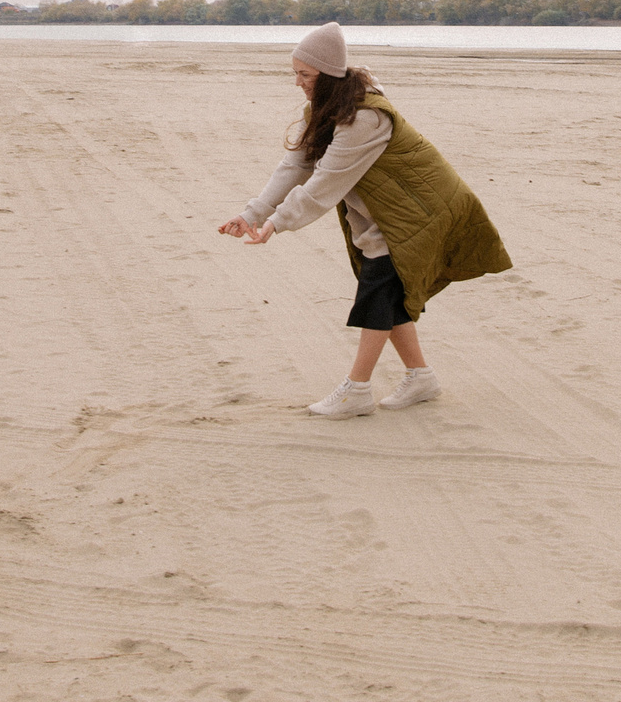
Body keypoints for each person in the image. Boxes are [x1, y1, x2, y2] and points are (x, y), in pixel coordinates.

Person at [219, 21, 511, 418]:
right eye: (296, 74)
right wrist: (251, 213)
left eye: (305, 75)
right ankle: (420, 378)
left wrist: (276, 223)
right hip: (389, 215)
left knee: (376, 293)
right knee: (384, 294)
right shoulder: (324, 110)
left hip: (419, 213)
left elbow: (324, 183)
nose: (298, 82)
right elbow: (296, 165)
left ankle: (356, 389)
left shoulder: (365, 119)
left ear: (328, 75)